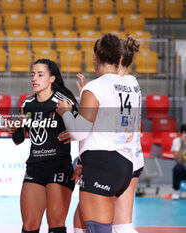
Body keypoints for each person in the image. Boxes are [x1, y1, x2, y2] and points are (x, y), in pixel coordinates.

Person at [56, 33, 140, 233]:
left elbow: (78, 132)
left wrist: (66, 113)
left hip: (102, 163)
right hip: (126, 165)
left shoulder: (95, 88)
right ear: (120, 58)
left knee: (97, 228)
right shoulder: (132, 84)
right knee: (81, 222)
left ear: (94, 56)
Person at [10, 59, 77, 233]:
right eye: (32, 75)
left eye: (40, 75)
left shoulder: (63, 102)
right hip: (34, 168)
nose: (34, 78)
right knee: (29, 225)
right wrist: (16, 128)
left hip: (59, 167)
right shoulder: (27, 104)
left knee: (55, 224)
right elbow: (18, 139)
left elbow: (83, 131)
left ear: (52, 79)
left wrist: (74, 131)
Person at [171, 123, 186, 199]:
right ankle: (176, 191)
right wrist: (182, 145)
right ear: (183, 133)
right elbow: (178, 160)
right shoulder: (176, 141)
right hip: (183, 171)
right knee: (177, 167)